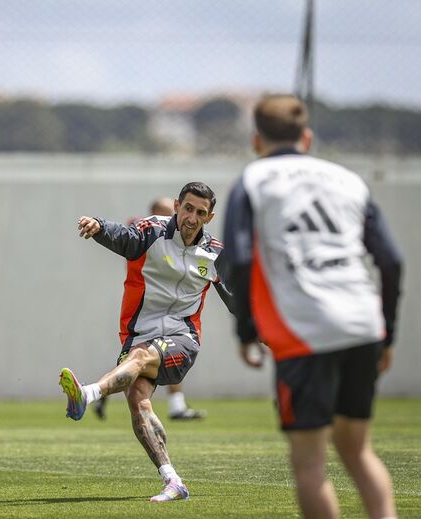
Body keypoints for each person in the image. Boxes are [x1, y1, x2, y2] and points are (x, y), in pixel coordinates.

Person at [221, 94, 401, 519]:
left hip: (304, 331)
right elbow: (391, 260)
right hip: (362, 325)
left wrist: (246, 330)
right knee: (358, 451)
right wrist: (387, 331)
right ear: (307, 136)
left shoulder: (252, 180)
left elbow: (240, 259)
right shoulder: (348, 179)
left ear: (255, 140)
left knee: (310, 462)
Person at [60, 182, 233, 503]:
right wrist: (99, 227)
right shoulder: (152, 232)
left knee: (139, 358)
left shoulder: (215, 253)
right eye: (188, 208)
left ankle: (88, 393)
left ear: (209, 218)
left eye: (200, 213)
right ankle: (173, 480)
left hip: (183, 339)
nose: (192, 218)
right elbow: (125, 237)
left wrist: (259, 330)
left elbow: (236, 298)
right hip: (139, 333)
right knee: (138, 403)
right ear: (178, 205)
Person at [93, 195, 207, 421]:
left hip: (170, 313)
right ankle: (97, 392)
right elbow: (127, 234)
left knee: (165, 352)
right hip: (148, 309)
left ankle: (99, 393)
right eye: (166, 212)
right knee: (139, 358)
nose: (174, 219)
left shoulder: (179, 239)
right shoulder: (147, 234)